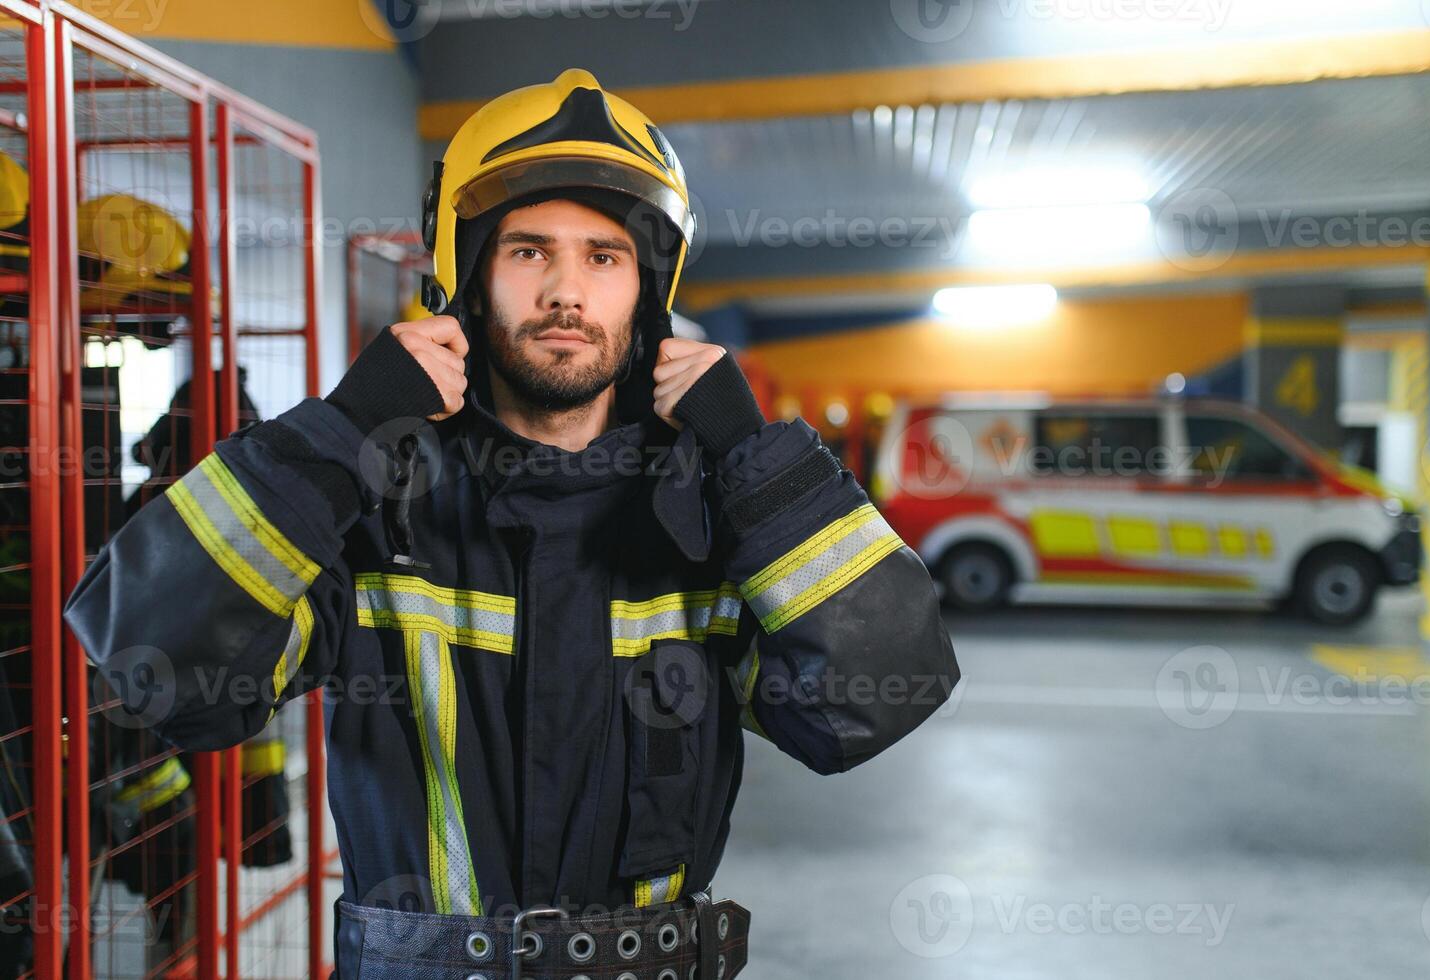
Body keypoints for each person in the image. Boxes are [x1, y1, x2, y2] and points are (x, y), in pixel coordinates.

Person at [62, 68, 961, 978]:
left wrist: (760, 463)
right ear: (465, 272)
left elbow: (871, 699)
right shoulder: (373, 515)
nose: (567, 292)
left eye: (604, 258)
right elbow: (160, 667)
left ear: (649, 293)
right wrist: (337, 437)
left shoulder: (710, 524)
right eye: (528, 251)